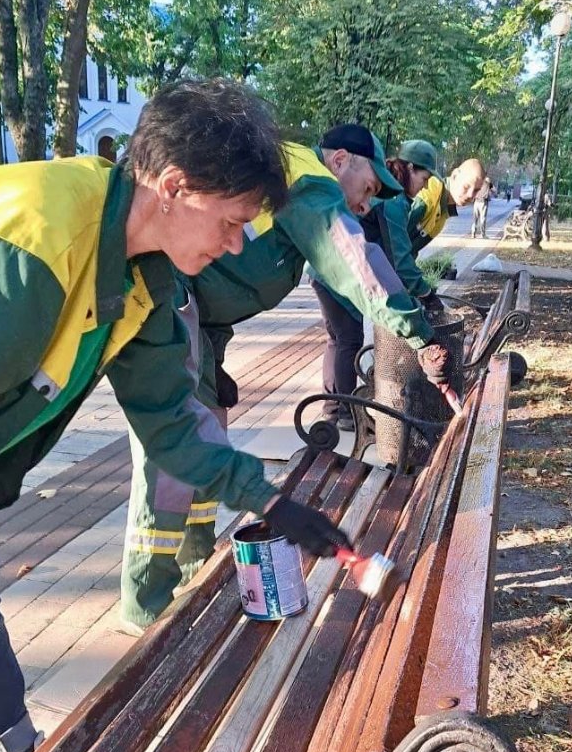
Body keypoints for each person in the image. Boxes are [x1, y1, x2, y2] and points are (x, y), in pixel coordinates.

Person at [0, 78, 348, 752]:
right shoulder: (34, 246)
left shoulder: (141, 271)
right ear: (174, 187)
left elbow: (169, 419)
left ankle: (11, 740)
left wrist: (267, 498)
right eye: (231, 224)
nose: (236, 246)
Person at [121, 123, 452, 629]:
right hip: (164, 308)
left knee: (206, 446)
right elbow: (358, 265)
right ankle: (147, 610)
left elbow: (353, 291)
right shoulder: (309, 182)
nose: (366, 204)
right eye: (367, 188)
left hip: (192, 321)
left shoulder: (298, 192)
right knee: (173, 458)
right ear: (341, 160)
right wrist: (422, 337)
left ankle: (192, 579)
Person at [311, 146, 485, 429]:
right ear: (409, 169)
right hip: (338, 272)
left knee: (340, 339)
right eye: (424, 178)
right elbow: (401, 259)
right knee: (347, 340)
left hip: (338, 269)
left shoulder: (397, 198)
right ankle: (341, 413)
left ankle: (337, 409)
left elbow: (400, 255)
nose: (426, 185)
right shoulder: (394, 202)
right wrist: (424, 293)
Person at [471, 175, 494, 239]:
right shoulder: (488, 183)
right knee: (482, 219)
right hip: (483, 202)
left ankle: (473, 233)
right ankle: (483, 235)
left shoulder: (477, 182)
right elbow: (494, 190)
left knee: (475, 219)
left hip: (476, 202)